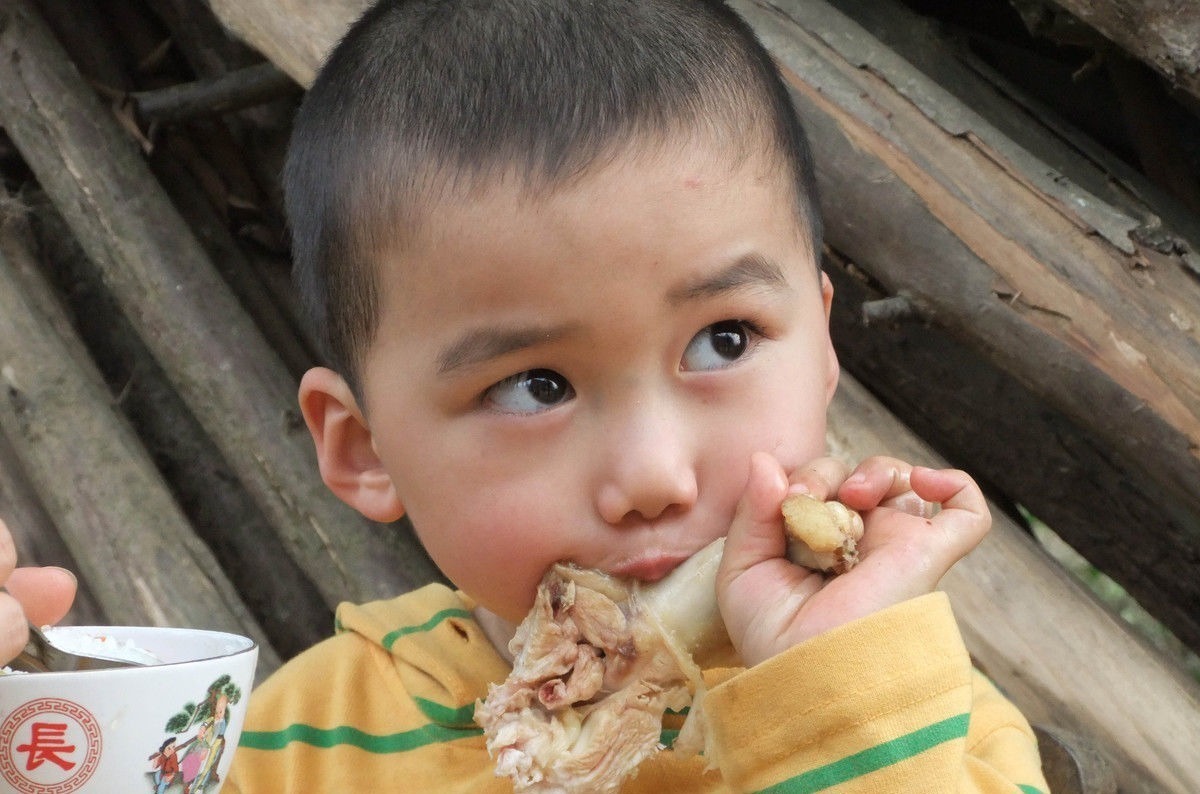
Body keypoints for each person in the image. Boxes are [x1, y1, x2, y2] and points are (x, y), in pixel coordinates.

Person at [3, 0, 1048, 791]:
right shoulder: (302, 742)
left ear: (822, 347)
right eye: (534, 384)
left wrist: (833, 707)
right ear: (364, 448)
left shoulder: (921, 722)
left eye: (724, 338)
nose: (650, 472)